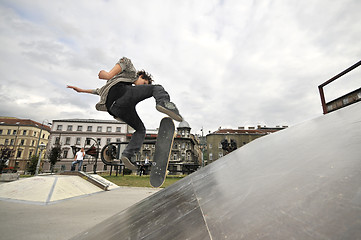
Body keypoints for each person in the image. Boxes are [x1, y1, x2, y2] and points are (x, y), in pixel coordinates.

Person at [67, 57, 183, 170]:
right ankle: (164, 103)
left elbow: (97, 91)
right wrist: (108, 74)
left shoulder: (109, 88)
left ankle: (128, 155)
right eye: (144, 83)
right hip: (120, 94)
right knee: (156, 88)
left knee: (141, 129)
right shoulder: (131, 74)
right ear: (141, 76)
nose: (143, 86)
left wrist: (81, 90)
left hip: (115, 109)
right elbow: (125, 61)